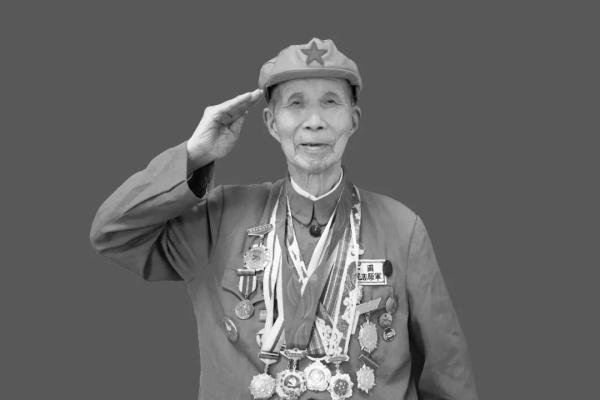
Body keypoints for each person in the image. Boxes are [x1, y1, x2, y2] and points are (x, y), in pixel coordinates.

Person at [90, 38, 478, 400]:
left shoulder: (402, 228)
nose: (314, 121)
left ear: (354, 120)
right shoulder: (219, 217)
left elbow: (447, 373)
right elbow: (112, 232)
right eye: (295, 104)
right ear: (272, 123)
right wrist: (194, 155)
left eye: (330, 102)